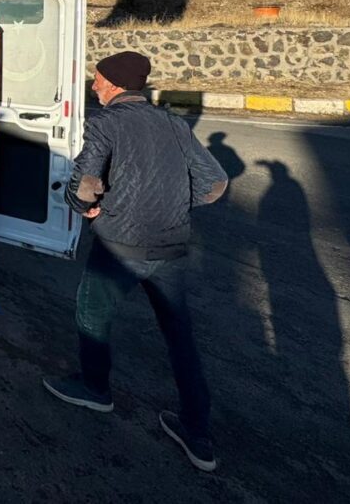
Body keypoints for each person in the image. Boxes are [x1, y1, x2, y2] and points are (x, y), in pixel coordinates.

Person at [43, 51, 228, 472]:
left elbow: (86, 185)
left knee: (92, 313)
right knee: (180, 336)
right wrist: (176, 204)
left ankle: (95, 388)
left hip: (121, 246)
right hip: (172, 245)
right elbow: (216, 182)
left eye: (97, 80)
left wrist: (83, 204)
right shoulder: (173, 124)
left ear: (113, 83)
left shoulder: (106, 123)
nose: (93, 87)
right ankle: (197, 433)